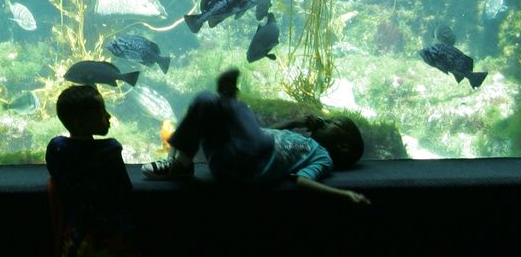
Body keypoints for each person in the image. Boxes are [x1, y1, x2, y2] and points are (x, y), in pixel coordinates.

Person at [141, 68, 369, 207]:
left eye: (331, 123)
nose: (323, 121)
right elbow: (265, 133)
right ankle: (181, 163)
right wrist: (295, 122)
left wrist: (344, 194)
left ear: (342, 146)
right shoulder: (300, 140)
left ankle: (230, 102)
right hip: (230, 154)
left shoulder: (322, 157)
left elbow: (302, 181)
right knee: (204, 99)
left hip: (245, 168)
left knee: (258, 139)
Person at [45, 84, 137, 256]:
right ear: (81, 122)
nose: (108, 116)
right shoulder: (110, 150)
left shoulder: (57, 149)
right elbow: (124, 192)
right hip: (112, 241)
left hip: (73, 241)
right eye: (102, 112)